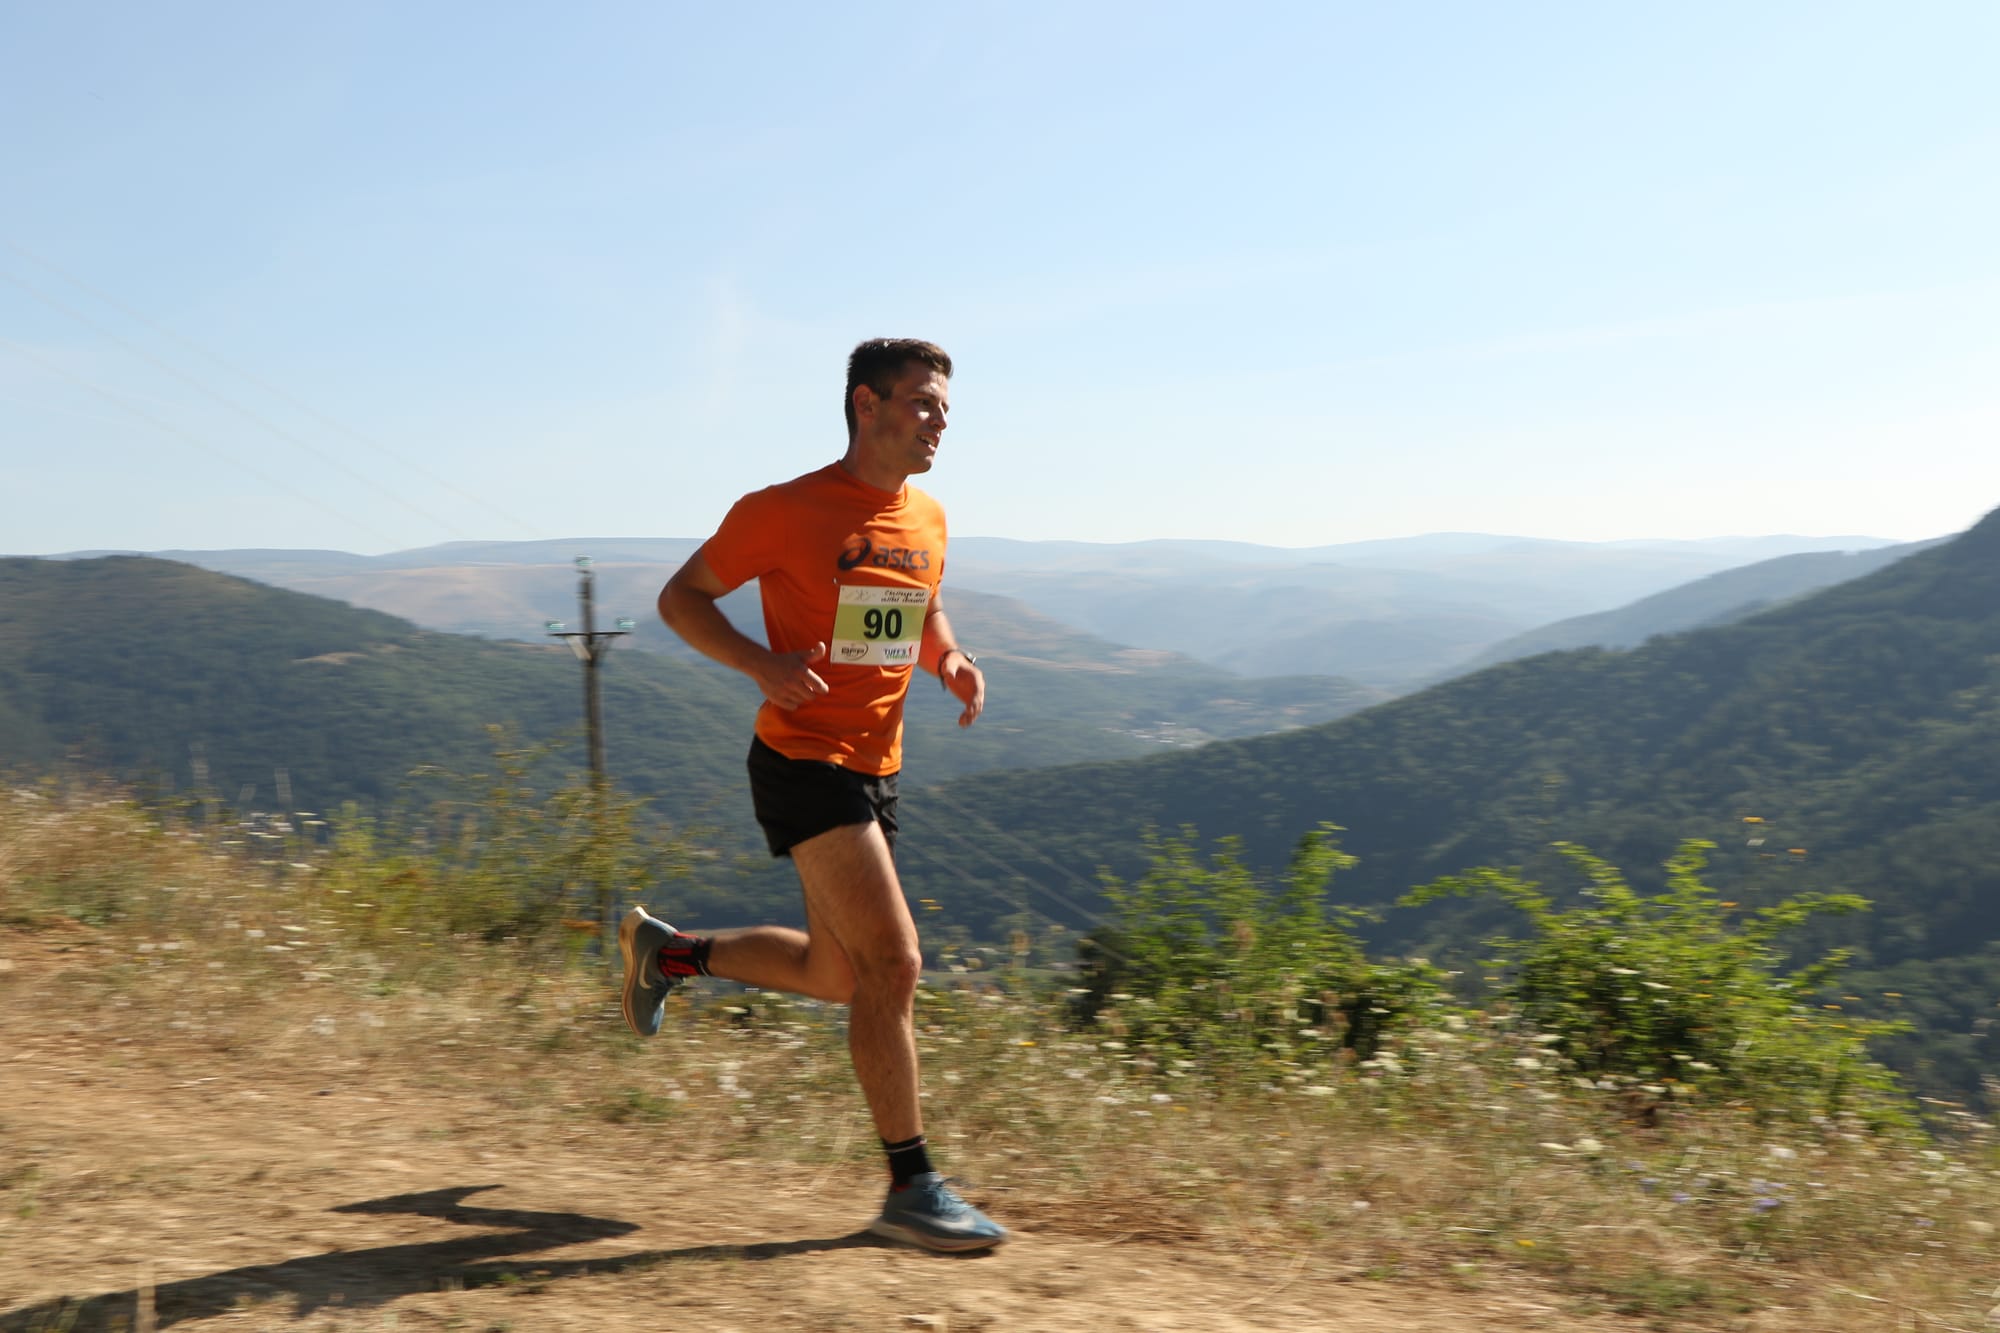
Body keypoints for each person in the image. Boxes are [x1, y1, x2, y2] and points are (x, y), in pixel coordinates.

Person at [623, 337, 1006, 1253]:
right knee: (896, 964)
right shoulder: (781, 510)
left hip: (878, 766)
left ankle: (669, 954)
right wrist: (759, 662)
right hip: (803, 762)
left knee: (837, 975)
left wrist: (946, 656)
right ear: (865, 405)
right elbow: (683, 598)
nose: (940, 420)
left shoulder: (929, 517)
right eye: (922, 402)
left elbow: (919, 601)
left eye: (946, 406)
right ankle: (913, 1185)